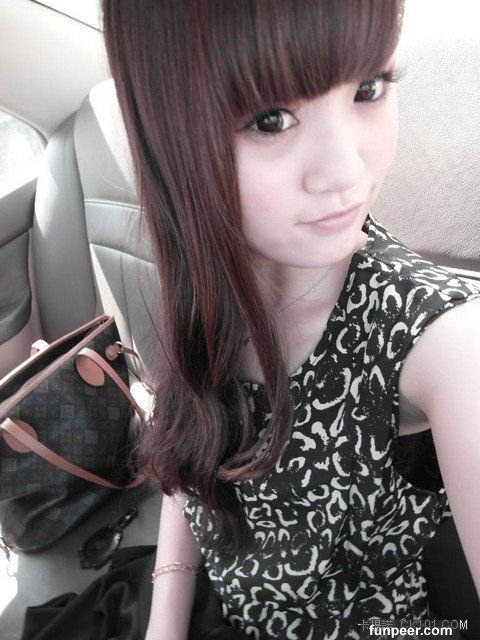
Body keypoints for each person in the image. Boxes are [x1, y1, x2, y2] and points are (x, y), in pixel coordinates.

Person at [102, 1, 480, 638]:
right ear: (171, 138)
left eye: (369, 88)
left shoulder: (442, 341)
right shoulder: (209, 280)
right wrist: (165, 623)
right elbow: (191, 445)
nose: (347, 172)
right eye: (271, 120)